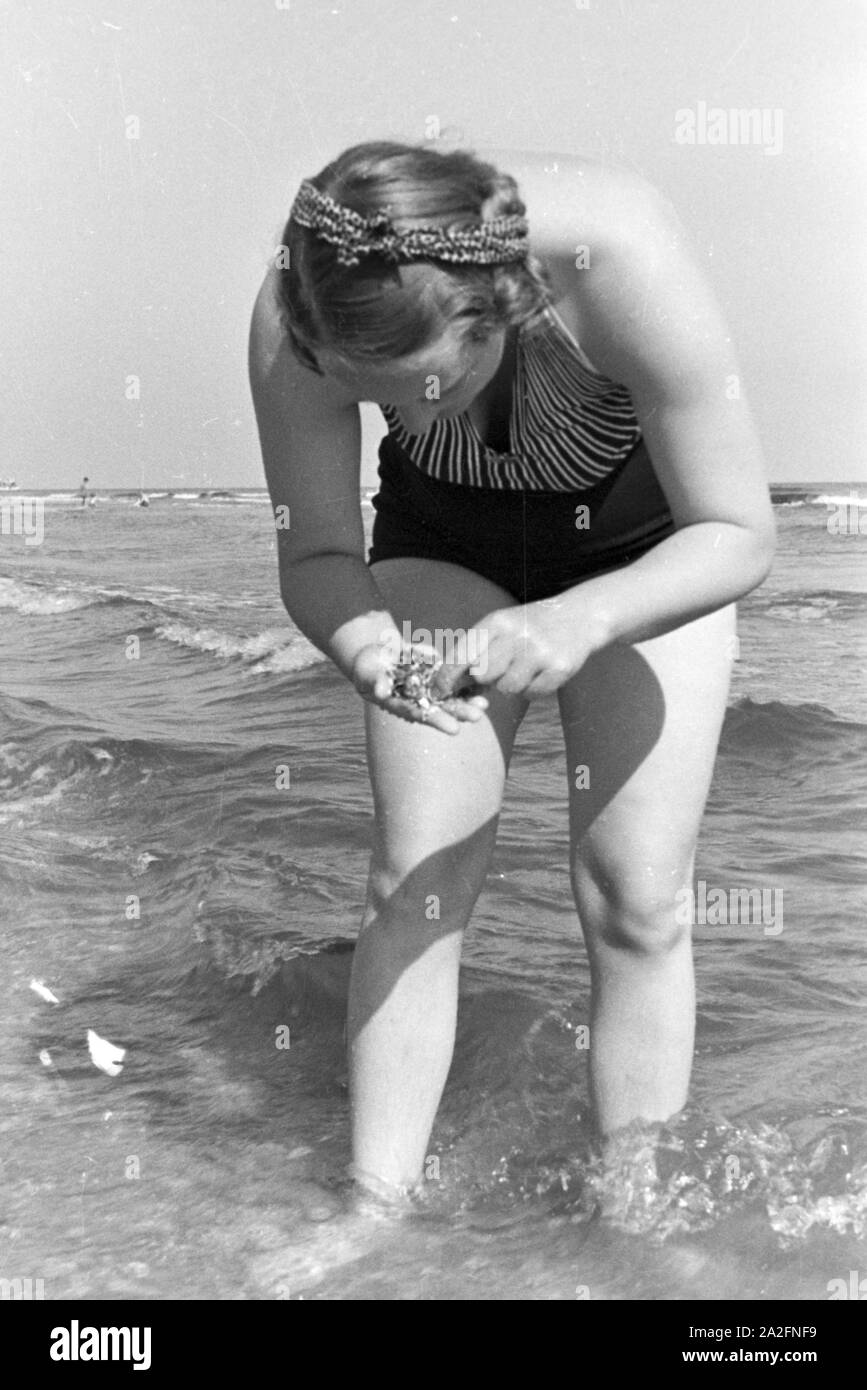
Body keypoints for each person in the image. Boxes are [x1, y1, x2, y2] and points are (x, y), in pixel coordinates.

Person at [248, 141, 776, 1202]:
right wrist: (372, 650)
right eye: (375, 400)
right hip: (444, 545)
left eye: (422, 390)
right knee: (418, 874)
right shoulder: (303, 308)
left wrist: (584, 617)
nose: (414, 419)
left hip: (644, 555)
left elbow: (738, 531)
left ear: (500, 312)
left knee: (637, 897)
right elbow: (315, 554)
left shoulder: (619, 255)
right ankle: (375, 1207)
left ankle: (636, 1208)